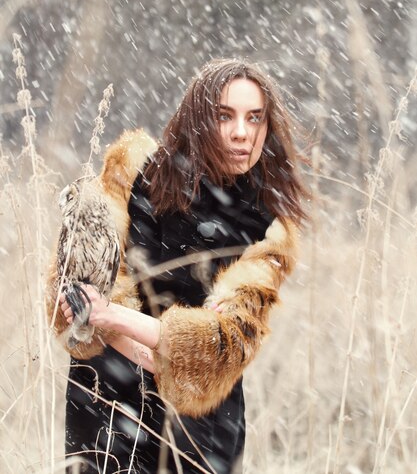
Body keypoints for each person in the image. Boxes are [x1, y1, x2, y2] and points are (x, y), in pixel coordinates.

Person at [53, 58, 307, 474]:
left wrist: (109, 317)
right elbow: (70, 301)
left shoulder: (268, 229)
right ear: (198, 118)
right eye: (224, 115)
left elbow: (216, 355)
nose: (241, 133)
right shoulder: (132, 177)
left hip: (197, 433)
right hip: (103, 408)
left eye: (254, 118)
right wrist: (106, 323)